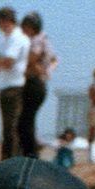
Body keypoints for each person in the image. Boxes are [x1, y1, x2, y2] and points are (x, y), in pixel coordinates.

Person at [0, 7, 29, 161]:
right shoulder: (5, 40)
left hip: (15, 86)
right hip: (5, 85)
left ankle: (10, 160)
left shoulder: (17, 38)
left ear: (6, 21)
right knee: (6, 128)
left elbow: (8, 62)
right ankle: (6, 159)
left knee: (12, 128)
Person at [19, 12, 56, 159]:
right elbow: (54, 59)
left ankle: (31, 152)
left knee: (25, 120)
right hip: (37, 81)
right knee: (26, 119)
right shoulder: (44, 39)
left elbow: (32, 57)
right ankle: (31, 148)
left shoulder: (37, 40)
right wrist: (47, 71)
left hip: (33, 82)